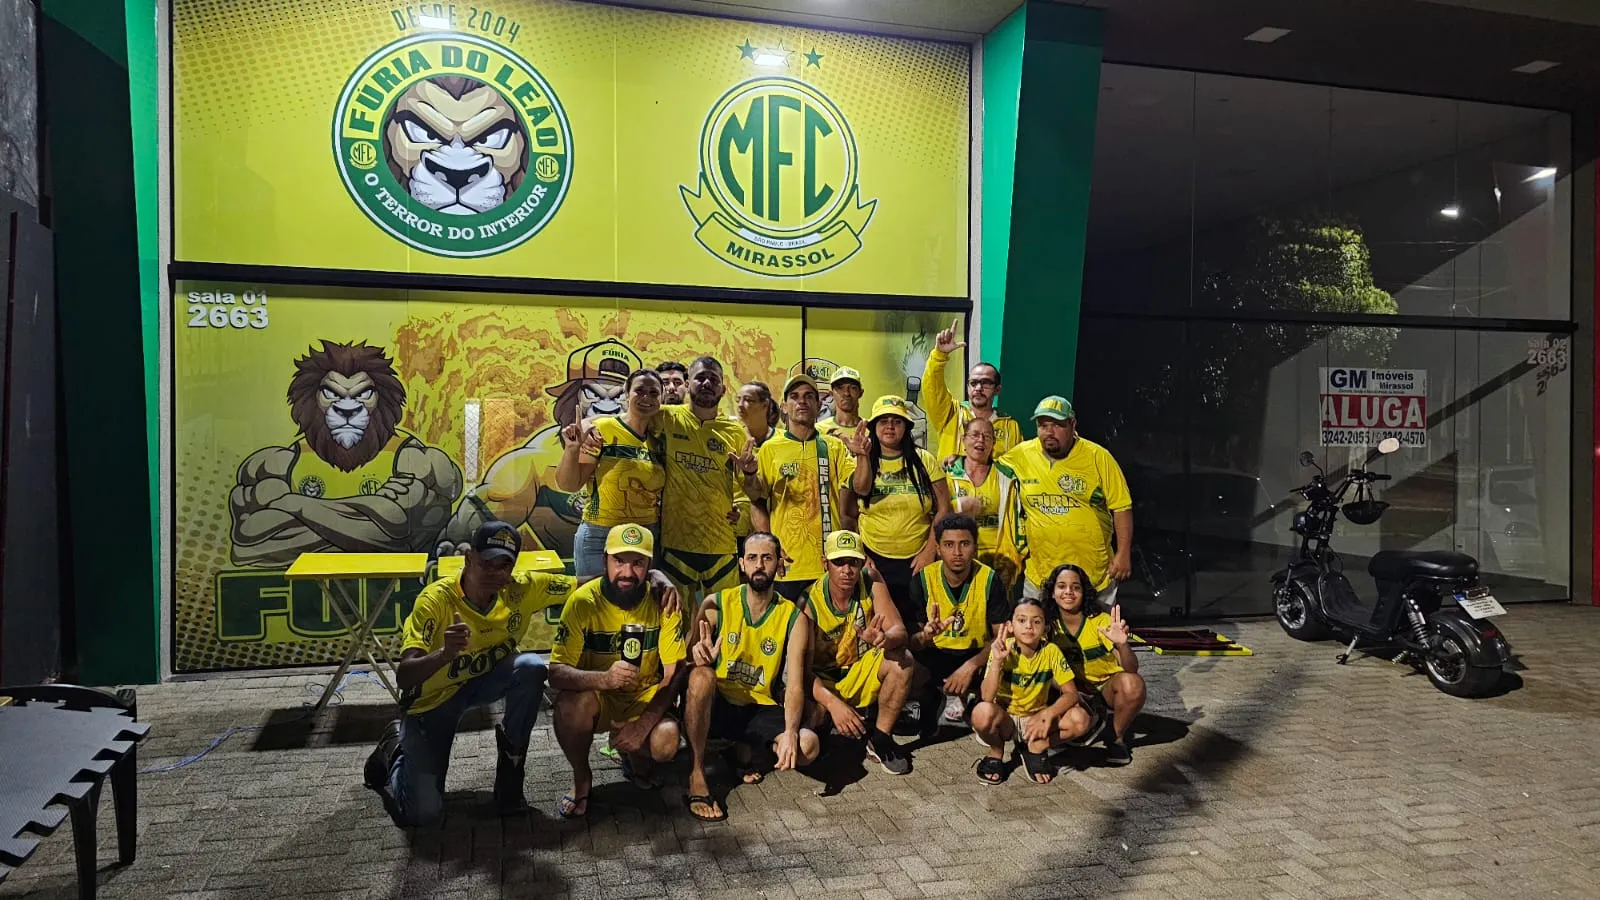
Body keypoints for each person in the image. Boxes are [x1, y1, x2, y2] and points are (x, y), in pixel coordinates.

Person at [363, 521, 569, 826]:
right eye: (487, 563)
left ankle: (510, 781)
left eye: (505, 565)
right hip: (432, 700)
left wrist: (654, 575)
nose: (496, 574)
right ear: (469, 558)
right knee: (423, 814)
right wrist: (444, 654)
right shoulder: (435, 601)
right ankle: (393, 747)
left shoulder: (521, 590)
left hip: (481, 683)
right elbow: (405, 677)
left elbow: (590, 583)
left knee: (531, 668)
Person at [547, 523, 687, 818]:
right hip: (601, 698)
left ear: (650, 566)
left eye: (637, 563)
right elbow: (557, 673)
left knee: (665, 742)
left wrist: (642, 725)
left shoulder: (664, 602)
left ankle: (633, 752)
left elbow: (674, 674)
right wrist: (605, 679)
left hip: (643, 697)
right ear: (604, 561)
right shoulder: (583, 602)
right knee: (570, 705)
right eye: (619, 561)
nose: (627, 572)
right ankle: (582, 777)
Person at [681, 533, 818, 821]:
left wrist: (791, 732)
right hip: (718, 704)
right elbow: (687, 660)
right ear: (742, 564)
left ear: (779, 564)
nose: (759, 565)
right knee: (701, 678)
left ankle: (741, 749)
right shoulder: (716, 604)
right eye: (752, 558)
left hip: (758, 707)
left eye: (767, 558)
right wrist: (697, 657)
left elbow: (794, 685)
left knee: (807, 747)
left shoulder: (794, 618)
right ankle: (696, 773)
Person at [998, 396, 1133, 607]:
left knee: (1097, 637)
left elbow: (1122, 506)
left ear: (1073, 425)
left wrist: (1123, 553)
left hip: (1094, 575)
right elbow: (986, 466)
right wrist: (956, 459)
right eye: (1043, 425)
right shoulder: (1021, 454)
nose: (1049, 432)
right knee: (1034, 637)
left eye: (1057, 425)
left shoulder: (1098, 457)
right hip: (1040, 575)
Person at [733, 374, 857, 602]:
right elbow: (756, 499)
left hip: (826, 564)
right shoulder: (771, 449)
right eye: (795, 396)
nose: (802, 401)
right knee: (788, 633)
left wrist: (863, 456)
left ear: (819, 406)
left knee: (824, 635)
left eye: (809, 396)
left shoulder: (833, 446)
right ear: (784, 407)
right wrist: (749, 473)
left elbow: (859, 487)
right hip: (786, 565)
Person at [802, 530, 915, 775]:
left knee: (902, 660)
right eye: (838, 562)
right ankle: (832, 727)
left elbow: (900, 630)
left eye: (853, 562)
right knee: (809, 738)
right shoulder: (808, 602)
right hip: (825, 681)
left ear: (862, 562)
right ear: (825, 563)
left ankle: (881, 739)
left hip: (858, 670)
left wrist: (886, 639)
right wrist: (832, 704)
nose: (847, 570)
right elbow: (801, 672)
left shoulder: (871, 580)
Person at [846, 395, 950, 623]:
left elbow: (944, 508)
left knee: (919, 627)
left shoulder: (924, 460)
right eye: (884, 421)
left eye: (897, 421)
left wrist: (930, 550)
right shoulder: (857, 459)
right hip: (874, 559)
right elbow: (854, 504)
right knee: (879, 626)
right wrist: (861, 555)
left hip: (917, 560)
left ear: (907, 427)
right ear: (873, 427)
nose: (890, 426)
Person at [970, 597, 1093, 785]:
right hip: (1006, 720)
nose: (1029, 626)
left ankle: (1036, 747)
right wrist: (996, 662)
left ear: (1045, 627)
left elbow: (1071, 694)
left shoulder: (1051, 651)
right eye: (1022, 620)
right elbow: (987, 696)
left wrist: (1047, 714)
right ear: (1010, 625)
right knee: (981, 712)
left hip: (1035, 721)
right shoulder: (1003, 648)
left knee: (1081, 718)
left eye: (1037, 621)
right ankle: (996, 752)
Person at [556, 369, 666, 577]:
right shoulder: (602, 430)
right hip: (599, 536)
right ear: (626, 394)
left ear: (662, 398)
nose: (646, 398)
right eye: (639, 391)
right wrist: (571, 450)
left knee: (638, 606)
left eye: (653, 393)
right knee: (595, 605)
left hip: (645, 535)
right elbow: (569, 485)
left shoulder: (662, 440)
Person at [657, 357, 750, 603]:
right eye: (700, 377)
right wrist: (589, 427)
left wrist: (749, 478)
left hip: (721, 547)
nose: (707, 382)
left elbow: (752, 490)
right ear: (687, 384)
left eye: (714, 379)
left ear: (723, 389)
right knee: (675, 624)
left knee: (725, 622)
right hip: (676, 544)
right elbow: (627, 419)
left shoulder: (735, 433)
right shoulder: (665, 418)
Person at [908, 513, 1011, 729]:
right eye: (949, 544)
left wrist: (970, 666)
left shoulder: (990, 580)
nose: (957, 553)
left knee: (1008, 653)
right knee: (901, 661)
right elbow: (912, 643)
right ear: (937, 548)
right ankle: (930, 698)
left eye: (964, 544)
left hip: (975, 656)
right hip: (936, 654)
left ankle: (978, 703)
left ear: (975, 547)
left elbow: (1001, 637)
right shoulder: (922, 580)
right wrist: (926, 636)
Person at [1045, 563, 1144, 766]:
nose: (1068, 592)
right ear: (1052, 592)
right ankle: (1065, 733)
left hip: (1102, 688)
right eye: (1061, 586)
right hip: (1063, 689)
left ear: (1084, 592)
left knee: (1133, 684)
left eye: (1076, 587)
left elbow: (1132, 669)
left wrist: (1122, 644)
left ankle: (1114, 737)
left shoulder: (1101, 619)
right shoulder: (1045, 623)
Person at [921, 319, 1023, 464]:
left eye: (986, 383)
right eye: (973, 383)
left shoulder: (1010, 426)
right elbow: (931, 388)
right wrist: (939, 355)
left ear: (998, 389)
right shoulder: (951, 413)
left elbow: (1018, 466)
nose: (978, 388)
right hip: (950, 486)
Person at [946, 417, 1015, 571]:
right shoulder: (946, 474)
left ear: (994, 443)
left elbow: (1015, 525)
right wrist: (958, 506)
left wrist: (1009, 562)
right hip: (954, 560)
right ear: (964, 440)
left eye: (987, 436)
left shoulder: (1006, 477)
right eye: (975, 435)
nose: (981, 440)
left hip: (996, 561)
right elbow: (934, 515)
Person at [816, 367, 864, 441]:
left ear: (860, 393)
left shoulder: (872, 429)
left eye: (852, 388)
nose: (846, 393)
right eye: (840, 388)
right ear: (831, 394)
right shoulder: (819, 430)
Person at [735, 381, 779, 449]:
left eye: (748, 400)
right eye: (738, 400)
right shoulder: (734, 438)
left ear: (765, 405)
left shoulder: (782, 440)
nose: (740, 405)